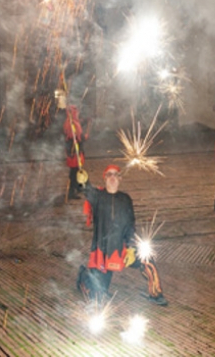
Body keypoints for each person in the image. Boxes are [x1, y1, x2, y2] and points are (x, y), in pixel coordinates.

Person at [76, 165, 168, 306]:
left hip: (122, 249)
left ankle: (156, 294)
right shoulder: (98, 197)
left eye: (115, 175)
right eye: (109, 175)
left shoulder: (126, 199)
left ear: (120, 179)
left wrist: (131, 248)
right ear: (105, 178)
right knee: (97, 295)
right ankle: (83, 276)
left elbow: (131, 225)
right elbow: (87, 189)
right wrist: (83, 180)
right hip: (103, 252)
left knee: (147, 259)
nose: (112, 178)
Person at [63, 105, 86, 200]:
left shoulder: (72, 121)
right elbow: (74, 135)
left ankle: (78, 187)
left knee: (76, 170)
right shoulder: (71, 123)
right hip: (74, 151)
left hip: (75, 150)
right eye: (75, 112)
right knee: (74, 171)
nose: (78, 113)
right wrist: (83, 137)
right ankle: (71, 191)